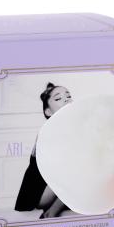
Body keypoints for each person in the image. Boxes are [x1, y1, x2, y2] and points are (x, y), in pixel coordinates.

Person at [14, 82, 73, 218]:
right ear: (48, 112)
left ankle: (55, 210)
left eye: (69, 96)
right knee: (83, 166)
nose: (66, 99)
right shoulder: (49, 130)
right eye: (58, 98)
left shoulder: (70, 129)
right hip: (38, 194)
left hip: (54, 190)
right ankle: (51, 213)